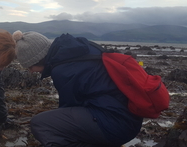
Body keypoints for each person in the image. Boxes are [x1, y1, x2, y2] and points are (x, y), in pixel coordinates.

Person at [12, 30, 143, 147]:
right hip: (130, 118)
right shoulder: (76, 50)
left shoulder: (62, 70)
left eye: (29, 67)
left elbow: (68, 110)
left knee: (40, 124)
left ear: (37, 59)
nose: (30, 72)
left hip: (116, 125)